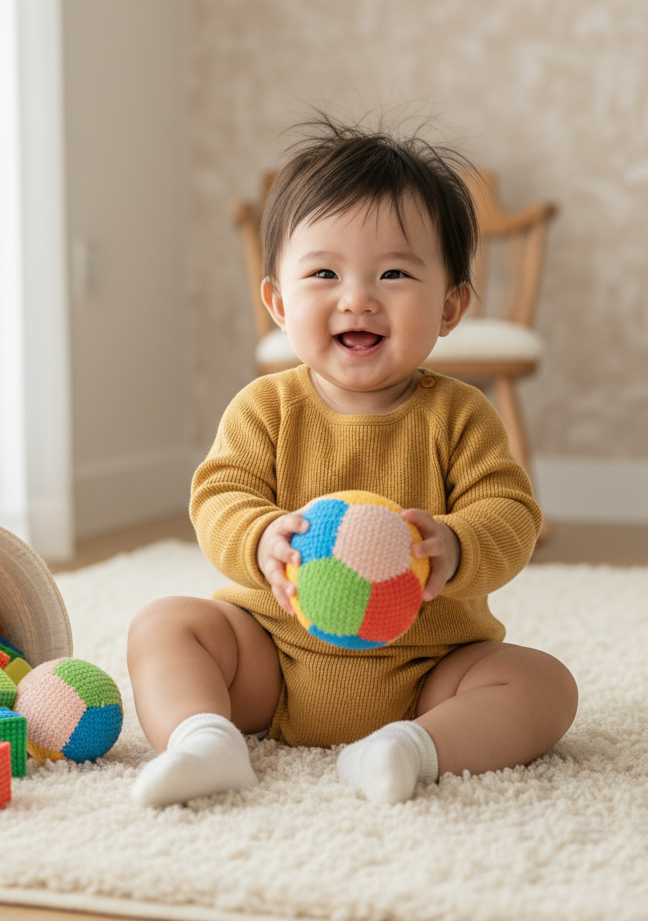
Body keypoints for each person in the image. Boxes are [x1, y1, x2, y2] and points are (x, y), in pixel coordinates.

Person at [127, 117, 578, 808]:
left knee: (544, 686)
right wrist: (258, 536)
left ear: (452, 306)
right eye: (324, 273)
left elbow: (511, 514)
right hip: (272, 659)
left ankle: (411, 748)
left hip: (427, 670)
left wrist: (457, 543)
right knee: (163, 625)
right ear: (279, 302)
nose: (357, 296)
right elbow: (219, 495)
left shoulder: (461, 417)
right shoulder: (265, 408)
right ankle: (204, 739)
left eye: (394, 272)